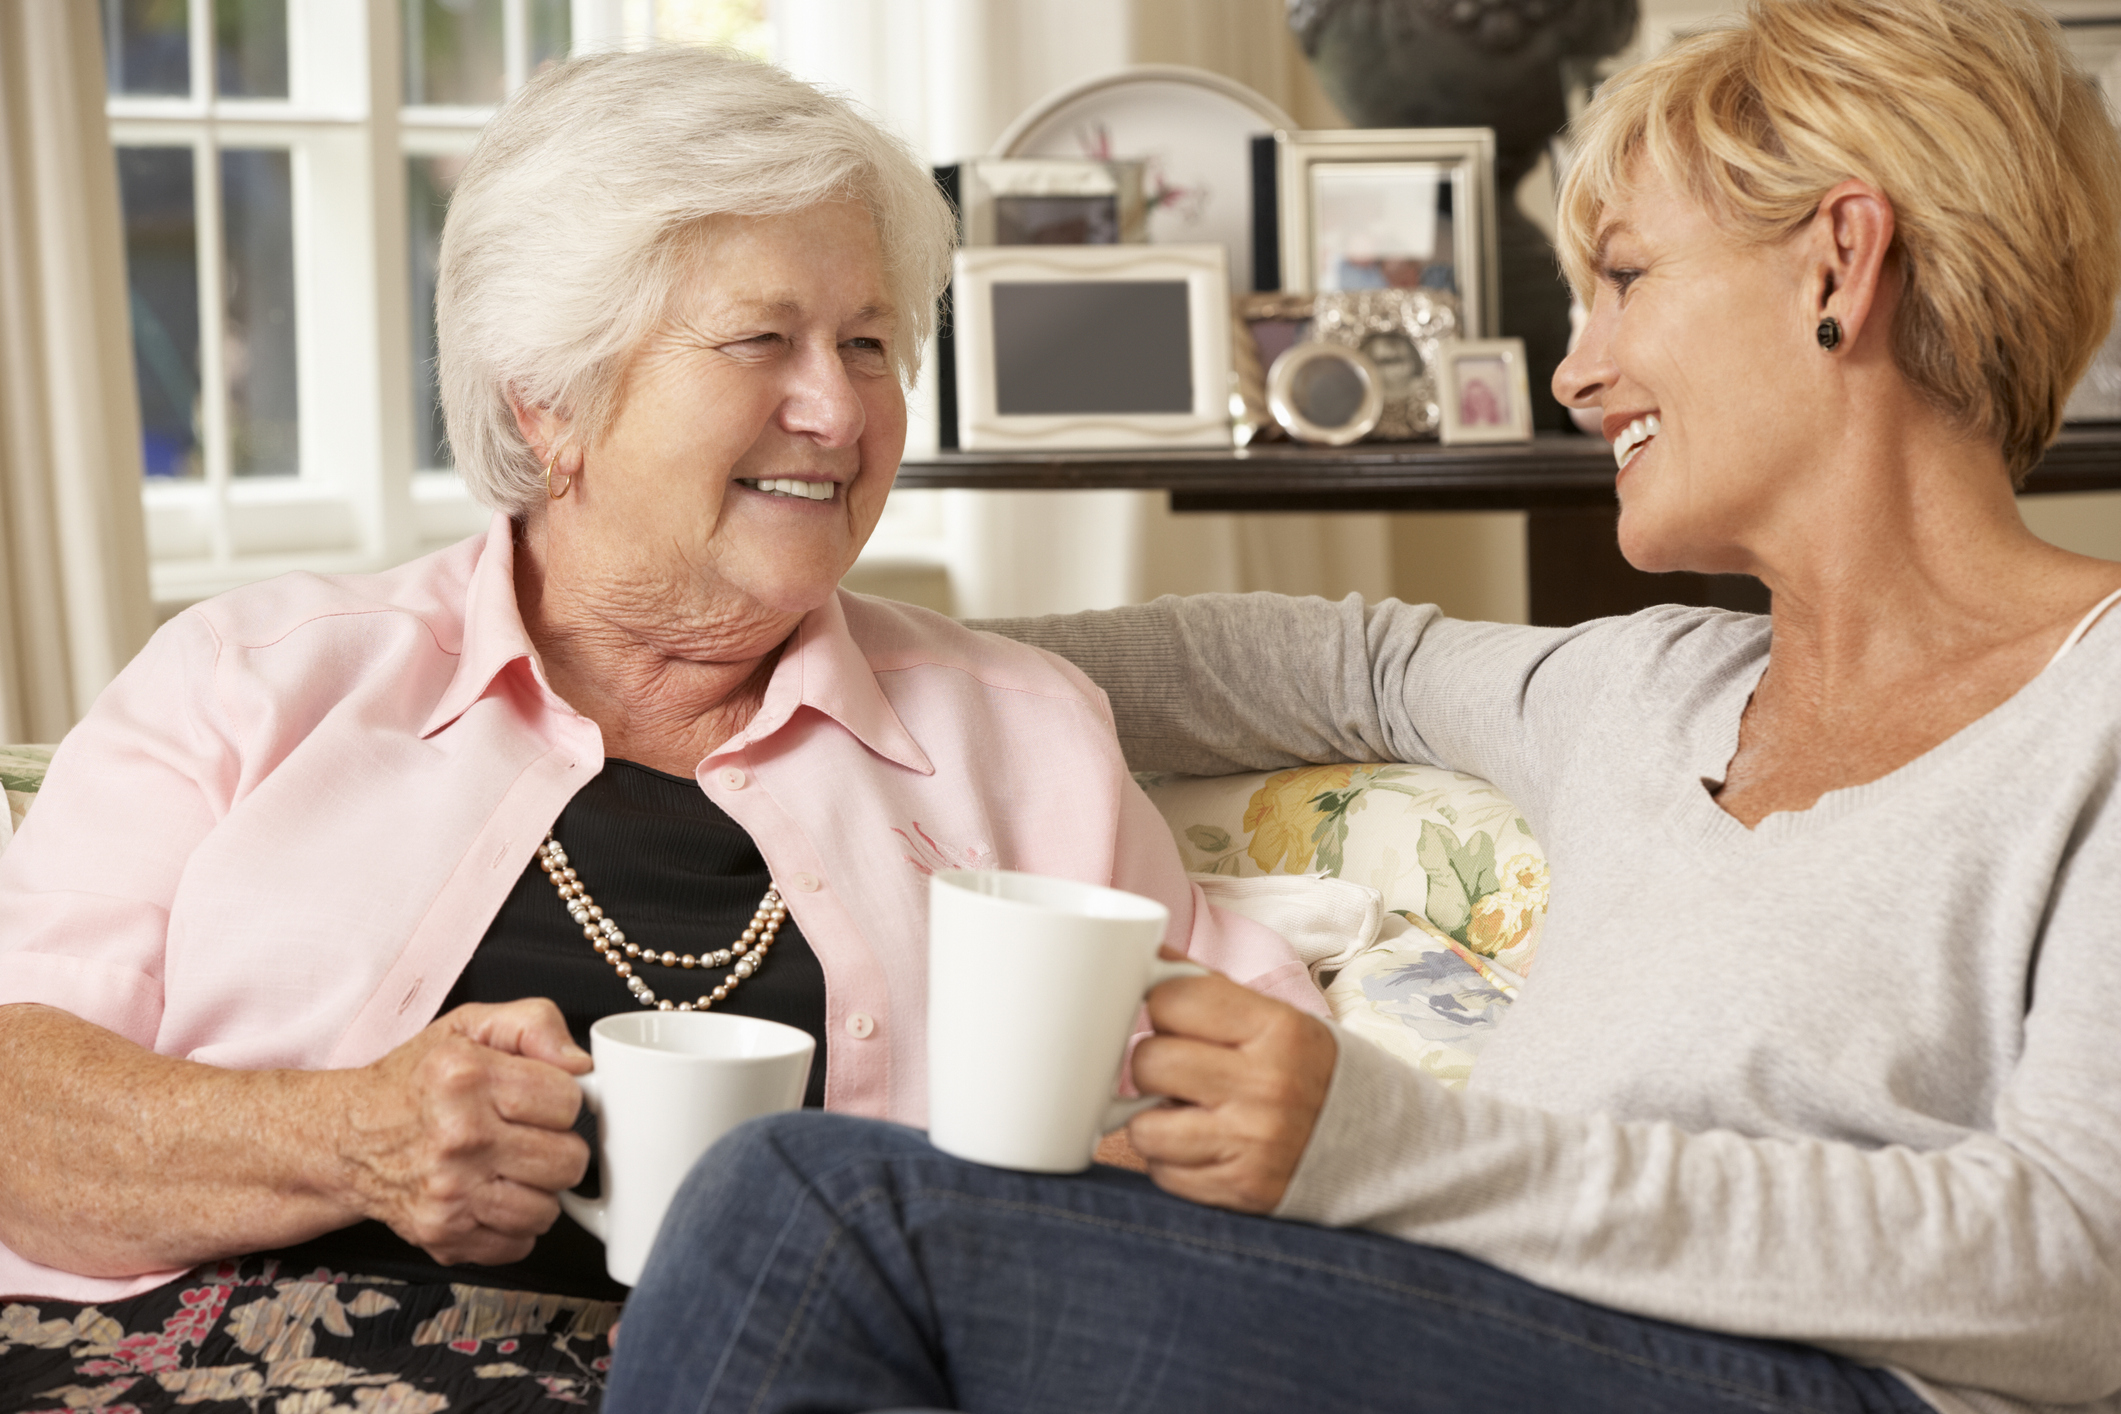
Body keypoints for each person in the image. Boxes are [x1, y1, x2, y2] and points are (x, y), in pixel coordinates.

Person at [602, 3, 2121, 1411]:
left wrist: (1398, 1152)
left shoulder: (2098, 706)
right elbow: (1332, 659)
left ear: (1838, 266)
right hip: (1485, 1327)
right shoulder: (1646, 689)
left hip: (1838, 1385)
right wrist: (778, 655)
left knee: (804, 1204)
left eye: (1628, 279)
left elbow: (2083, 1267)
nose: (1577, 368)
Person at [0, 47, 1319, 1405]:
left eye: (869, 343)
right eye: (763, 340)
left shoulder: (1023, 738)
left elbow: (1235, 1085)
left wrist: (1281, 1117)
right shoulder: (251, 683)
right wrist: (346, 1135)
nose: (839, 409)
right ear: (549, 403)